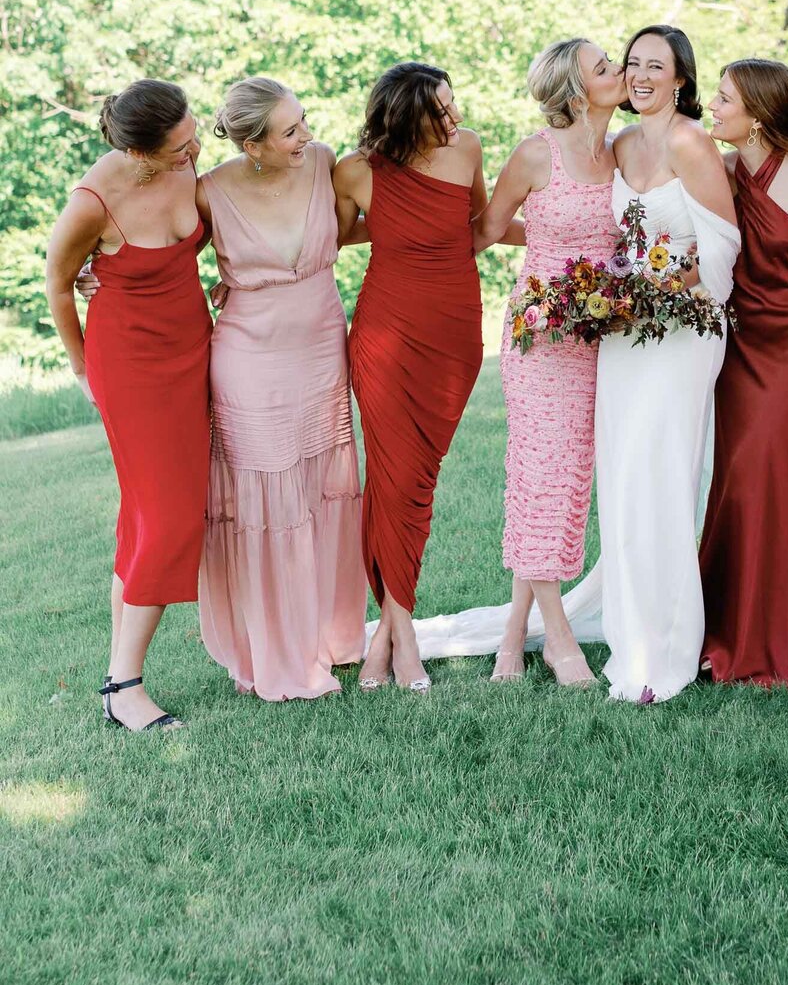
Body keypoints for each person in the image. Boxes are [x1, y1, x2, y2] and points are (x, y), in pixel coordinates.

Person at [44, 79, 211, 732]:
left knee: (145, 517)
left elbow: (201, 232)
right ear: (141, 154)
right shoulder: (94, 199)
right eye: (179, 146)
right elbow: (59, 284)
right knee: (171, 520)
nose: (192, 150)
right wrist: (82, 368)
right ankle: (124, 685)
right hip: (130, 367)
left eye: (193, 134)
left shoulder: (186, 161)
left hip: (191, 352)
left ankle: (118, 679)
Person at [198, 77, 367, 700]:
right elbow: (154, 251)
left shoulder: (323, 164)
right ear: (252, 144)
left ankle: (329, 632)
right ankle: (273, 651)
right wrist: (91, 275)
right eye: (291, 130)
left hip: (323, 350)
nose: (308, 136)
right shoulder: (209, 192)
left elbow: (374, 221)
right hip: (249, 361)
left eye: (305, 121)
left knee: (323, 491)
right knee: (267, 499)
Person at [474, 39, 625, 686]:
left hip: (604, 340)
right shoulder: (536, 154)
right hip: (538, 339)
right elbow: (487, 228)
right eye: (605, 68)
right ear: (573, 89)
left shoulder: (621, 153)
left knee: (564, 488)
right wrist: (543, 244)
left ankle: (513, 636)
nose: (620, 72)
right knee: (547, 479)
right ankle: (559, 641)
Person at [597, 24, 740, 704]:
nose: (641, 76)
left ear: (682, 78)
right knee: (623, 478)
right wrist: (605, 295)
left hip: (684, 333)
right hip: (625, 337)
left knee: (661, 476)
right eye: (632, 64)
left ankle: (667, 647)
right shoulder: (619, 145)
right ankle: (629, 630)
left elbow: (722, 248)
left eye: (656, 66)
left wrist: (654, 285)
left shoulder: (691, 142)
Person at [336, 63, 485, 692]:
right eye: (439, 113)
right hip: (385, 337)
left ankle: (387, 634)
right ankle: (399, 639)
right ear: (403, 117)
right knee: (394, 482)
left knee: (418, 480)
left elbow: (480, 227)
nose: (452, 121)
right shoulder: (355, 170)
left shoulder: (469, 148)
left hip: (453, 334)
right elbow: (335, 236)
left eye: (454, 107)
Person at [700, 58, 788, 688]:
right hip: (738, 343)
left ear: (756, 113)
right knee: (737, 480)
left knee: (779, 476)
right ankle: (723, 633)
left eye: (724, 99)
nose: (713, 105)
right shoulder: (720, 171)